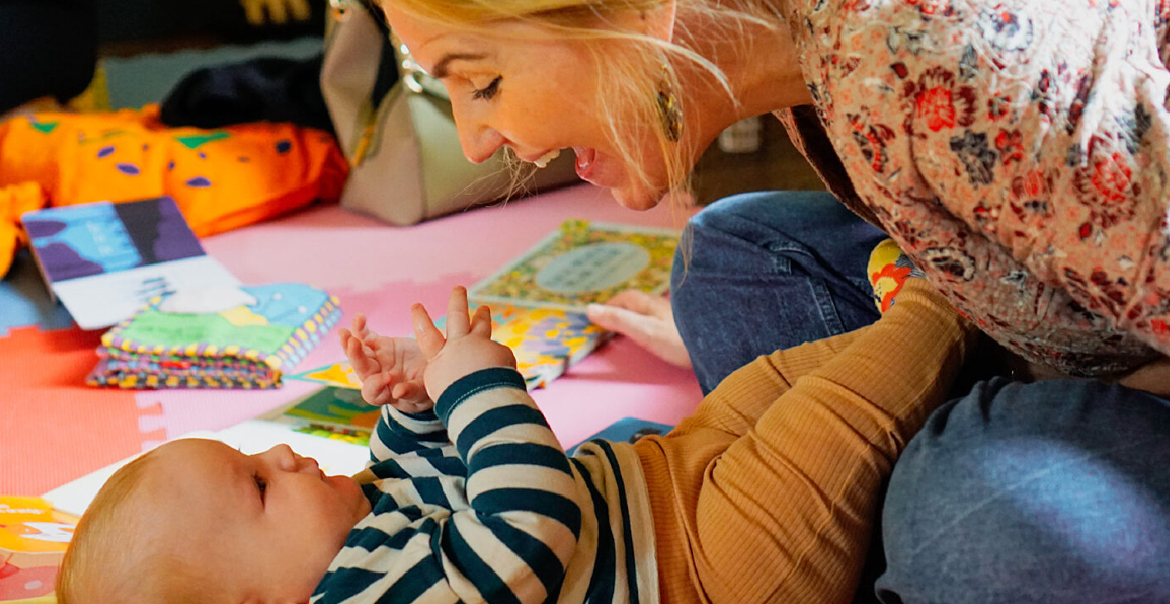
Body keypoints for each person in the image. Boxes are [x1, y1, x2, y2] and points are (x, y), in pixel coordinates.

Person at [349, 0, 1170, 599]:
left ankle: (925, 511)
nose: (471, 142)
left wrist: (1047, 399)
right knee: (731, 258)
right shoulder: (812, 61)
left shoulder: (914, 54)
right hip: (1064, 308)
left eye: (482, 81)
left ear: (634, 11)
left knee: (960, 504)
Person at [59, 263, 980, 604]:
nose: (286, 453)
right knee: (835, 422)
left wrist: (418, 408)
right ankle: (951, 297)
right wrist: (479, 384)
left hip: (667, 477)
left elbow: (429, 480)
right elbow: (526, 527)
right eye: (258, 485)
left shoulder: (349, 538)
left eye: (256, 452)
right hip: (712, 566)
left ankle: (931, 345)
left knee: (768, 385)